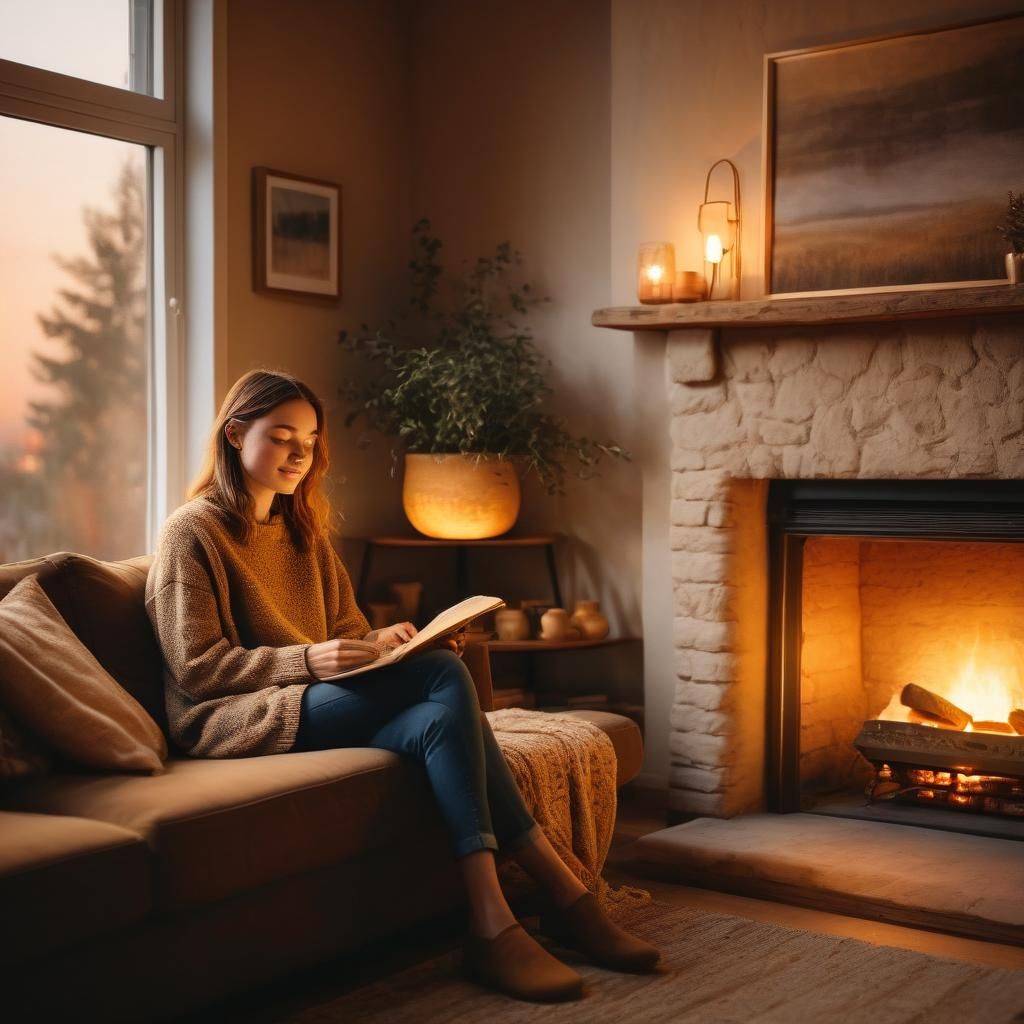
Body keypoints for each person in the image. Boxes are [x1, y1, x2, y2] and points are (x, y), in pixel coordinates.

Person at [145, 368, 659, 1002]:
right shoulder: (191, 532)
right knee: (441, 676)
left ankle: (504, 919)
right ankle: (556, 898)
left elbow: (347, 631)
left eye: (309, 439)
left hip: (308, 697)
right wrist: (307, 661)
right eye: (281, 437)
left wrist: (386, 642)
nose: (299, 454)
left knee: (438, 717)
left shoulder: (303, 531)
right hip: (231, 718)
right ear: (234, 435)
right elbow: (196, 666)